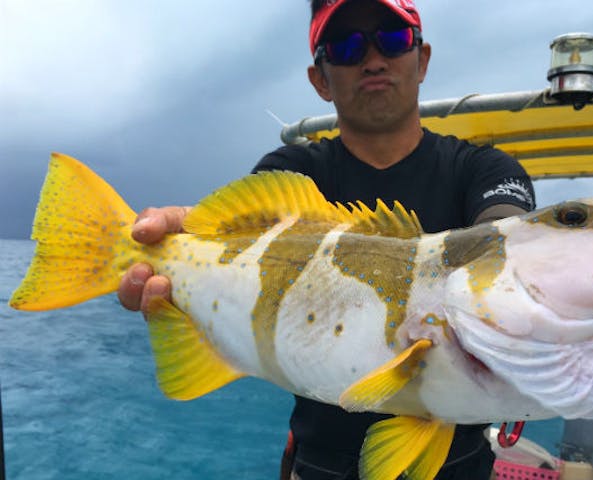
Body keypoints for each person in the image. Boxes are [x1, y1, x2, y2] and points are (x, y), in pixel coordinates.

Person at [118, 1, 536, 478]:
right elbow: (236, 241)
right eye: (347, 46)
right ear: (320, 79)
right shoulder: (293, 171)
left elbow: (508, 243)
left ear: (422, 59)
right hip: (317, 465)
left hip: (460, 462)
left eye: (394, 39)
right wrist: (175, 242)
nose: (373, 59)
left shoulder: (484, 170)